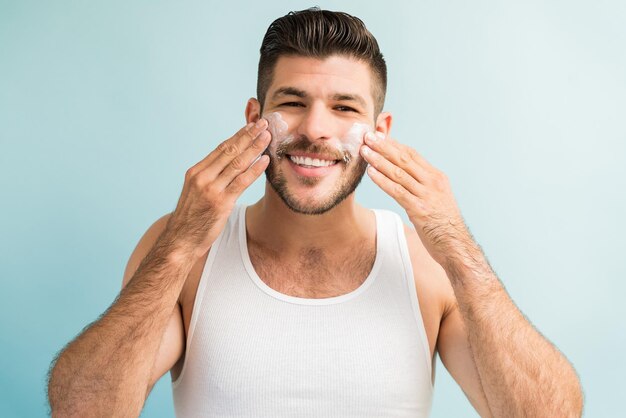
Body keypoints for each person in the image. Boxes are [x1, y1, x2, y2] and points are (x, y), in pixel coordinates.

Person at [47, 8, 583, 417]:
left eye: (345, 108)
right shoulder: (182, 248)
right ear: (254, 116)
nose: (315, 129)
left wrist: (460, 253)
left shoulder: (426, 263)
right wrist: (180, 246)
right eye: (292, 102)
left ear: (382, 133)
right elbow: (84, 409)